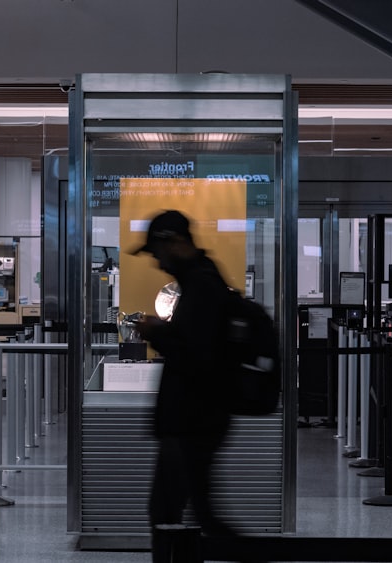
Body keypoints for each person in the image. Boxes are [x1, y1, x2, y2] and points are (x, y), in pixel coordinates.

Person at [132, 210, 237, 556]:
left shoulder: (203, 285)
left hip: (192, 422)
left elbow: (198, 355)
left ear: (175, 243)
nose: (158, 264)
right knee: (192, 514)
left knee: (168, 513)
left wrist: (156, 335)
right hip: (191, 420)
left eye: (157, 253)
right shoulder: (200, 281)